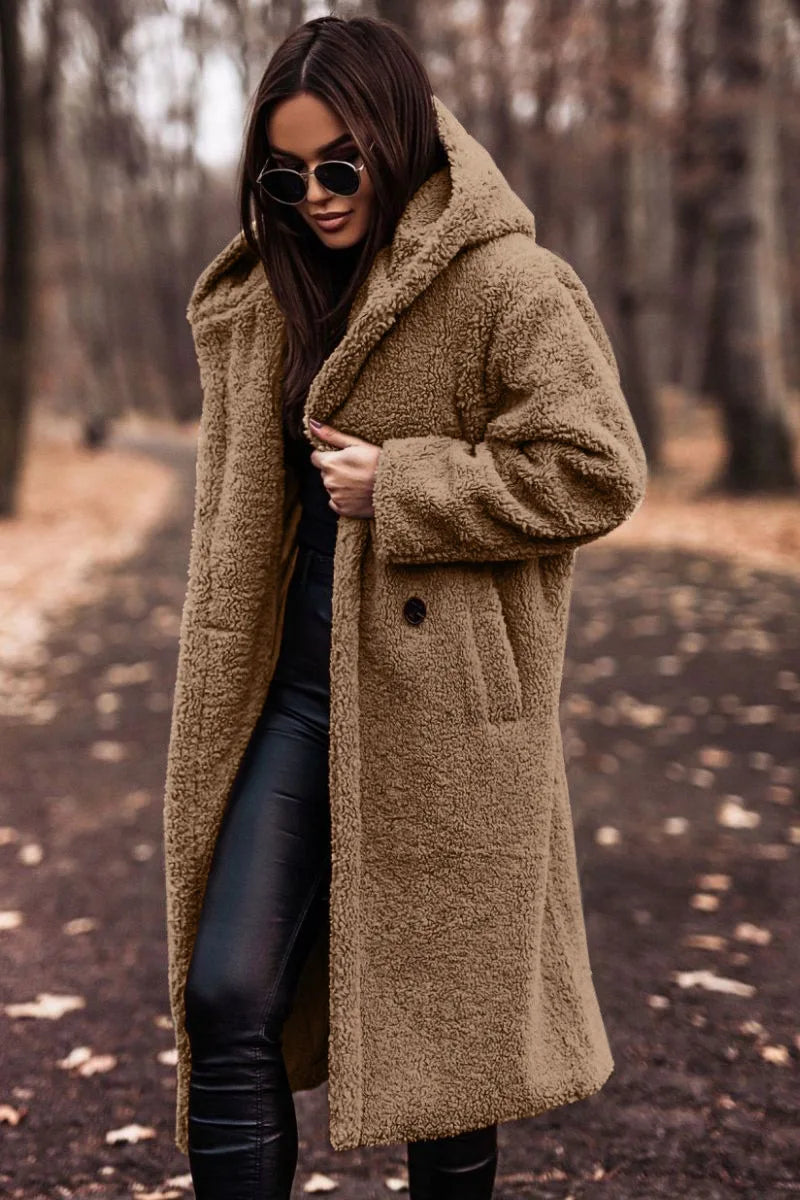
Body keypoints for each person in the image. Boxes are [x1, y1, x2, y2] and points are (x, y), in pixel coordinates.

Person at [163, 13, 648, 1200]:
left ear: (395, 139)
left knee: (452, 1054)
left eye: (340, 168)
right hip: (290, 698)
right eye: (285, 178)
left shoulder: (505, 284)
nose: (316, 199)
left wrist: (408, 485)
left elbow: (597, 469)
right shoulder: (262, 297)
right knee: (225, 994)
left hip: (446, 715)